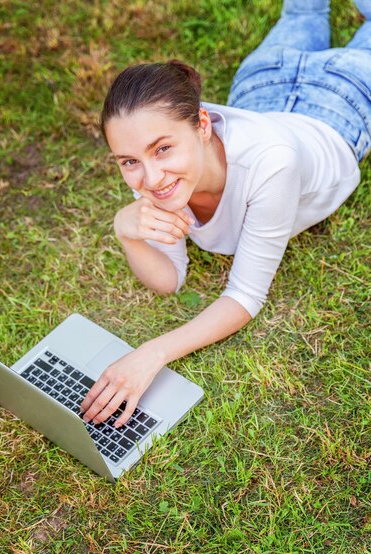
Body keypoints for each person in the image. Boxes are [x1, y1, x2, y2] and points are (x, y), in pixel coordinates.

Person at [81, 0, 371, 427]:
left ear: (202, 124)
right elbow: (170, 278)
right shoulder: (160, 174)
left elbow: (245, 297)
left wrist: (152, 353)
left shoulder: (273, 165)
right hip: (264, 83)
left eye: (163, 148)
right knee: (303, 12)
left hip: (340, 97)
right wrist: (126, 233)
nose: (151, 178)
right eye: (129, 161)